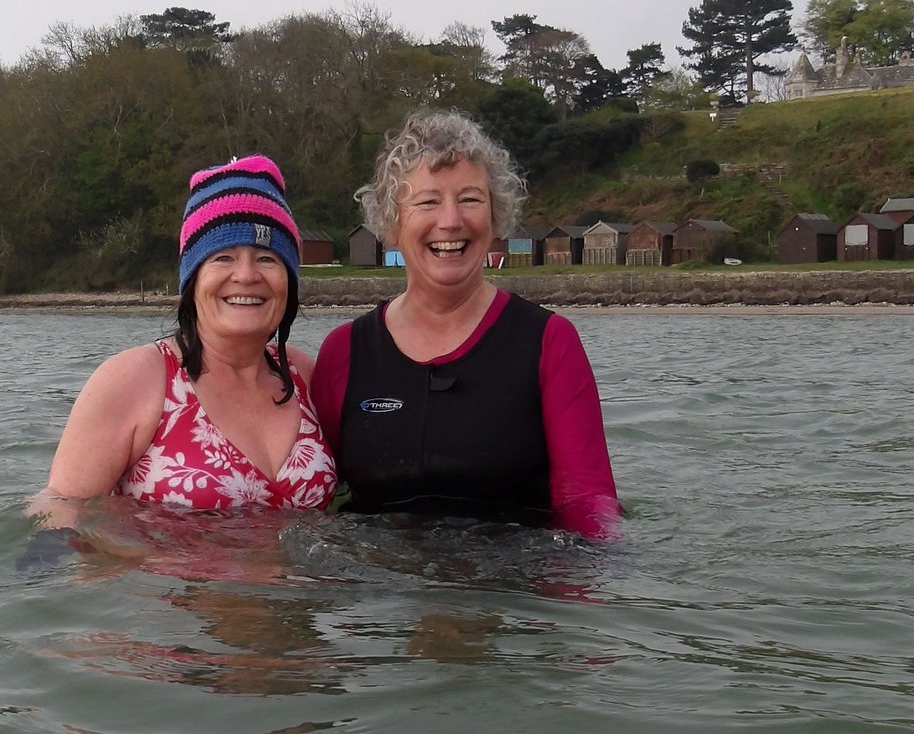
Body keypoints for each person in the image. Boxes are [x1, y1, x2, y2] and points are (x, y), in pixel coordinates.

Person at [310, 110, 620, 539]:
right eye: (427, 201)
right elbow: (319, 498)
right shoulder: (344, 351)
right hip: (380, 599)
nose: (451, 221)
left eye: (470, 199)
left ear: (496, 218)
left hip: (508, 591)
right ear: (392, 224)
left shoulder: (550, 342)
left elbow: (588, 502)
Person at [37, 155, 337, 525]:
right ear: (192, 281)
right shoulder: (134, 381)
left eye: (267, 259)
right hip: (173, 583)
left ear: (289, 280)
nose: (246, 275)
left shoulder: (308, 377)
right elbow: (59, 516)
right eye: (223, 257)